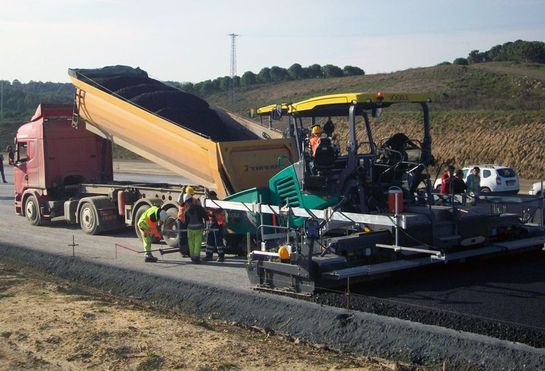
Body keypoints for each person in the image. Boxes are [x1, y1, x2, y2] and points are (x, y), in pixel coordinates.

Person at [185, 193, 207, 263]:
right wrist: (208, 219)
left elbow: (186, 221)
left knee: (191, 243)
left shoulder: (187, 210)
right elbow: (205, 215)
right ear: (192, 200)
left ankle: (192, 257)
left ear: (187, 202)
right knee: (197, 242)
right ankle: (196, 257)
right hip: (198, 227)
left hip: (190, 228)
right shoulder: (198, 207)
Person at [204, 191, 226, 262]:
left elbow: (216, 211)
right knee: (209, 240)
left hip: (218, 224)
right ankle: (209, 255)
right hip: (212, 224)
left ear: (213, 196)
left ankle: (221, 256)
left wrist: (208, 210)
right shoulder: (211, 202)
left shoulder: (218, 203)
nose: (209, 198)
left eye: (210, 196)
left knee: (218, 241)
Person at [176, 193, 191, 257]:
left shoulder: (188, 203)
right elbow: (180, 199)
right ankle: (183, 251)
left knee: (187, 236)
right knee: (182, 236)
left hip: (186, 220)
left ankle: (187, 251)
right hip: (181, 221)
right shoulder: (182, 204)